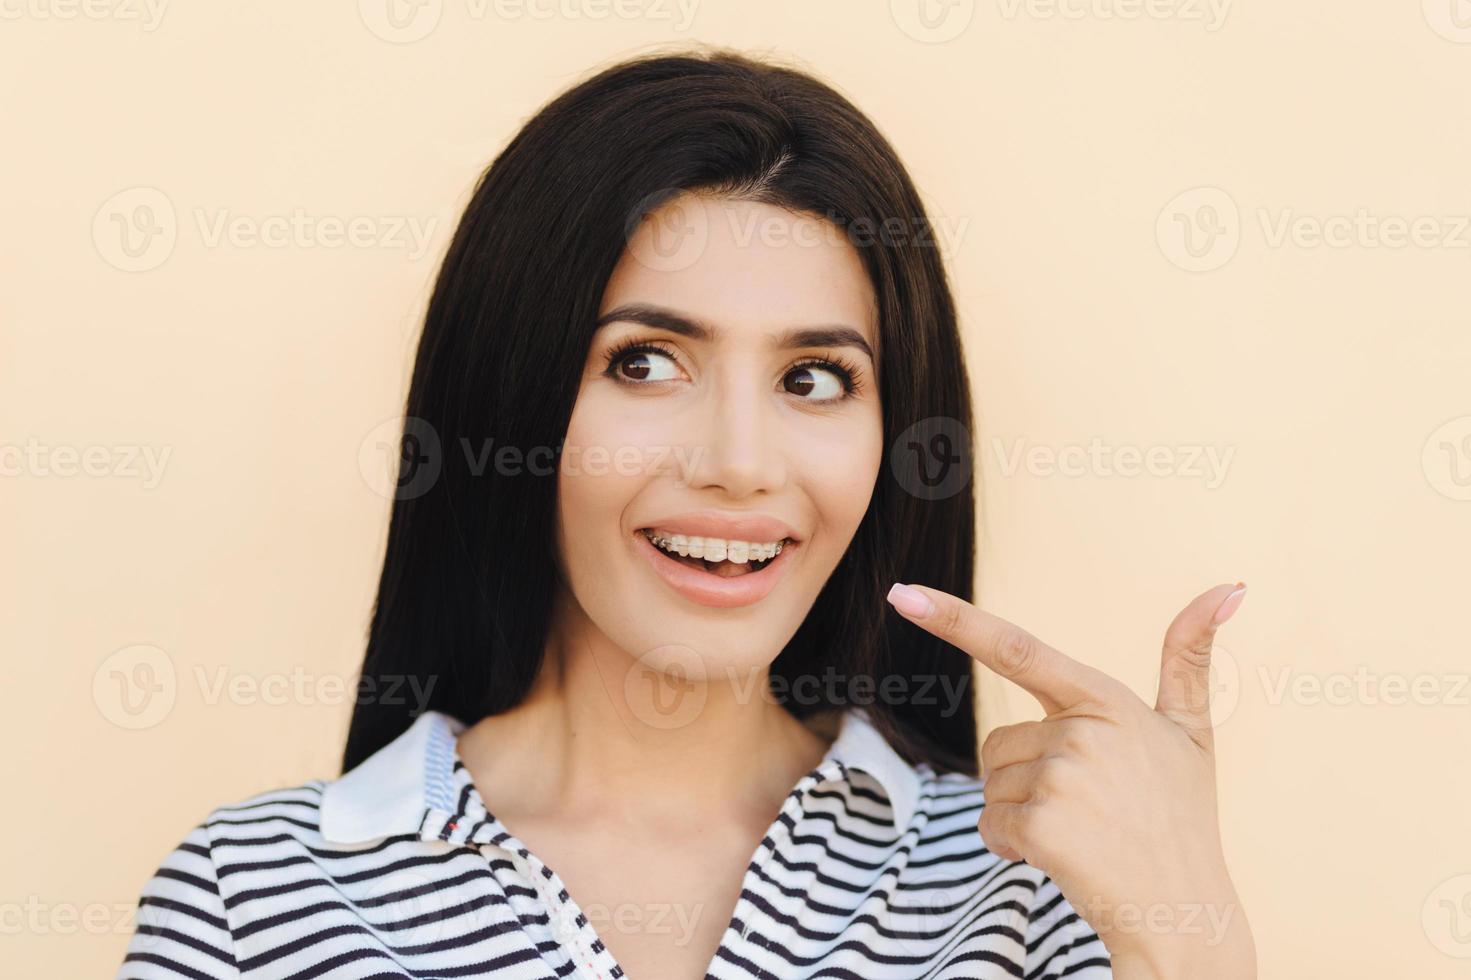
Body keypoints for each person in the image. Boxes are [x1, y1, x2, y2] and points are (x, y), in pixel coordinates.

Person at [115, 47, 1254, 979]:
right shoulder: (253, 899)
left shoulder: (1027, 890)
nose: (738, 464)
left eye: (813, 378)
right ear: (513, 387)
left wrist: (1189, 924)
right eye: (647, 362)